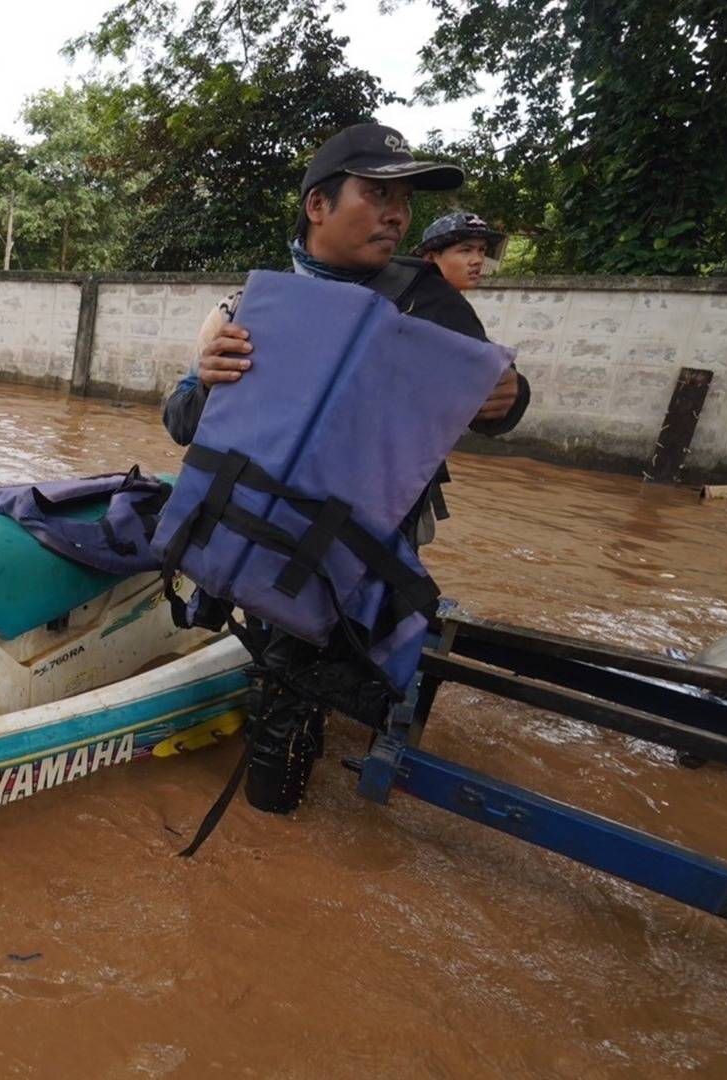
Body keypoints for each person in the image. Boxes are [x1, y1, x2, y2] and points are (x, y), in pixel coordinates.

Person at [158, 123, 531, 817]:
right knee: (274, 663)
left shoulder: (429, 302)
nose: (396, 213)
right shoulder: (251, 305)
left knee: (293, 704)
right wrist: (204, 382)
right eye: (378, 193)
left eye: (404, 200)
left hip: (355, 544)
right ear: (318, 206)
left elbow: (492, 402)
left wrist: (509, 398)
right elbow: (180, 423)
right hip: (258, 530)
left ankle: (273, 832)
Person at [412, 211, 508, 293]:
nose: (478, 260)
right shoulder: (415, 307)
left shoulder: (456, 308)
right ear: (430, 258)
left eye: (482, 250)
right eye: (466, 250)